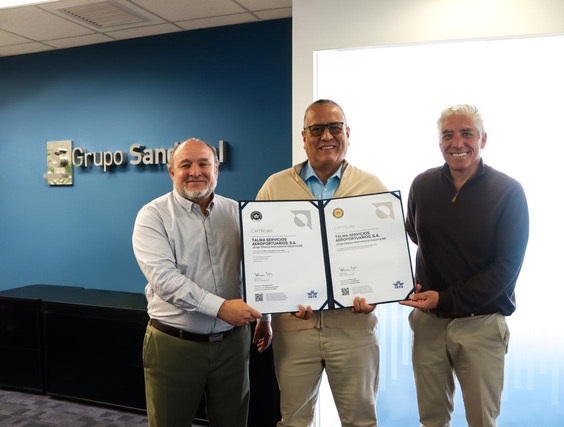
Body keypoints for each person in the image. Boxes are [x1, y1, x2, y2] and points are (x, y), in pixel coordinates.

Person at [256, 99, 386, 427]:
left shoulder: (372, 187)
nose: (326, 136)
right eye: (316, 129)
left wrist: (378, 295)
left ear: (347, 133)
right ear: (304, 137)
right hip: (295, 329)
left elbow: (385, 256)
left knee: (361, 421)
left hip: (354, 327)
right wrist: (267, 314)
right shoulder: (275, 186)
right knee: (294, 421)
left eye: (335, 127)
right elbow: (260, 256)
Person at [400, 104, 529, 427]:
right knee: (431, 420)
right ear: (439, 142)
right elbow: (415, 235)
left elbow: (505, 269)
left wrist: (445, 298)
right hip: (428, 325)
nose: (457, 143)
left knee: (481, 421)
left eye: (466, 134)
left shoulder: (508, 192)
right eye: (448, 135)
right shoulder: (422, 185)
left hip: (481, 325)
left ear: (483, 139)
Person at [132, 137, 272, 427]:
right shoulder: (152, 216)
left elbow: (259, 267)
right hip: (175, 344)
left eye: (203, 164)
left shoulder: (237, 213)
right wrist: (221, 308)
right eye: (185, 165)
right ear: (172, 172)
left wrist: (265, 316)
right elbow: (165, 280)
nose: (195, 171)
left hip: (233, 344)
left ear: (216, 170)